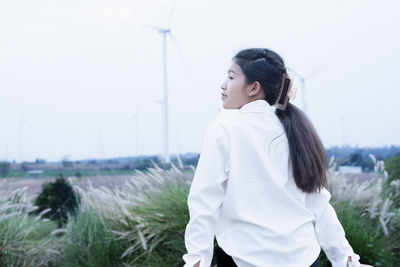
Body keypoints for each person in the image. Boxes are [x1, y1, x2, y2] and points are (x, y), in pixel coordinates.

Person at [182, 48, 373, 267]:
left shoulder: (225, 127)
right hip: (303, 257)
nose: (223, 84)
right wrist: (345, 259)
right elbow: (318, 202)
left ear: (254, 88)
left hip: (243, 257)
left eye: (231, 77)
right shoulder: (295, 129)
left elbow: (204, 201)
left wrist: (197, 258)